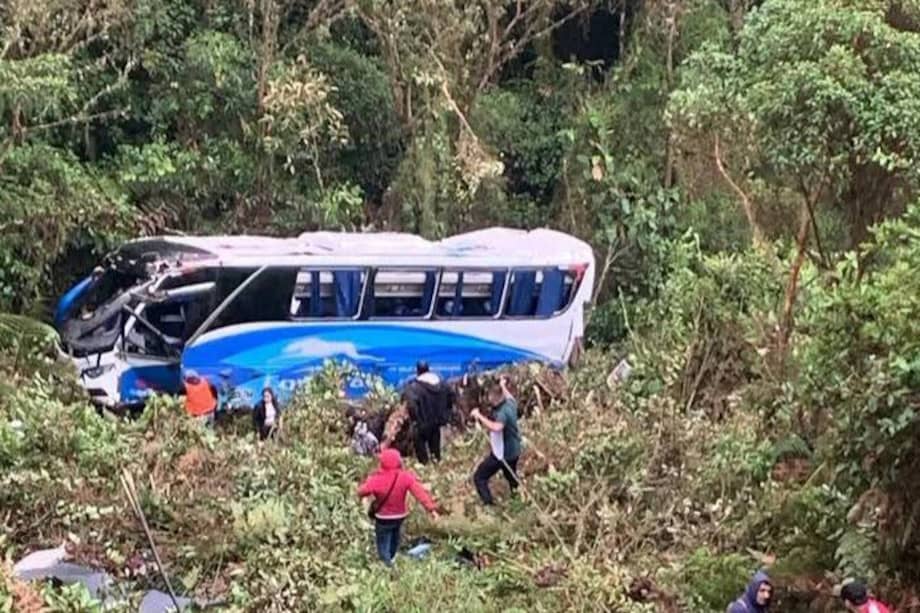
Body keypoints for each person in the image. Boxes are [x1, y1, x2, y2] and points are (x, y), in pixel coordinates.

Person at [357, 448, 439, 566]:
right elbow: (420, 493)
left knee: (383, 542)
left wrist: (365, 487)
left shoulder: (377, 479)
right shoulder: (405, 477)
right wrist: (431, 509)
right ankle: (392, 558)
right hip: (399, 516)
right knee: (394, 538)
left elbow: (361, 491)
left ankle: (386, 565)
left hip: (383, 518)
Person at [470, 376, 521, 506]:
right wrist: (503, 385)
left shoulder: (502, 413)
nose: (489, 399)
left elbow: (497, 427)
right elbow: (509, 396)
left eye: (490, 396)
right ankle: (517, 500)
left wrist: (479, 416)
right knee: (511, 477)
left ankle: (489, 506)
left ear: (495, 397)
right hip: (514, 450)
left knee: (479, 477)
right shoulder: (510, 404)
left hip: (502, 454)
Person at [404, 361, 456, 464]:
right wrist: (446, 413)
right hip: (437, 422)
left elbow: (412, 406)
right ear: (428, 369)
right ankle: (436, 464)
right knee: (435, 448)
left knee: (421, 449)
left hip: (422, 423)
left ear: (417, 371)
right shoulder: (442, 384)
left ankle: (424, 466)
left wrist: (415, 419)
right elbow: (452, 396)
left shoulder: (414, 387)